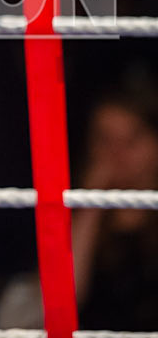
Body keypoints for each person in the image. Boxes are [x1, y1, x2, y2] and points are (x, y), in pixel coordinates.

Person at [73, 82, 158, 330]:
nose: (116, 154)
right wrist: (91, 203)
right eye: (105, 140)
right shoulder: (79, 213)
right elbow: (63, 297)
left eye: (130, 140)